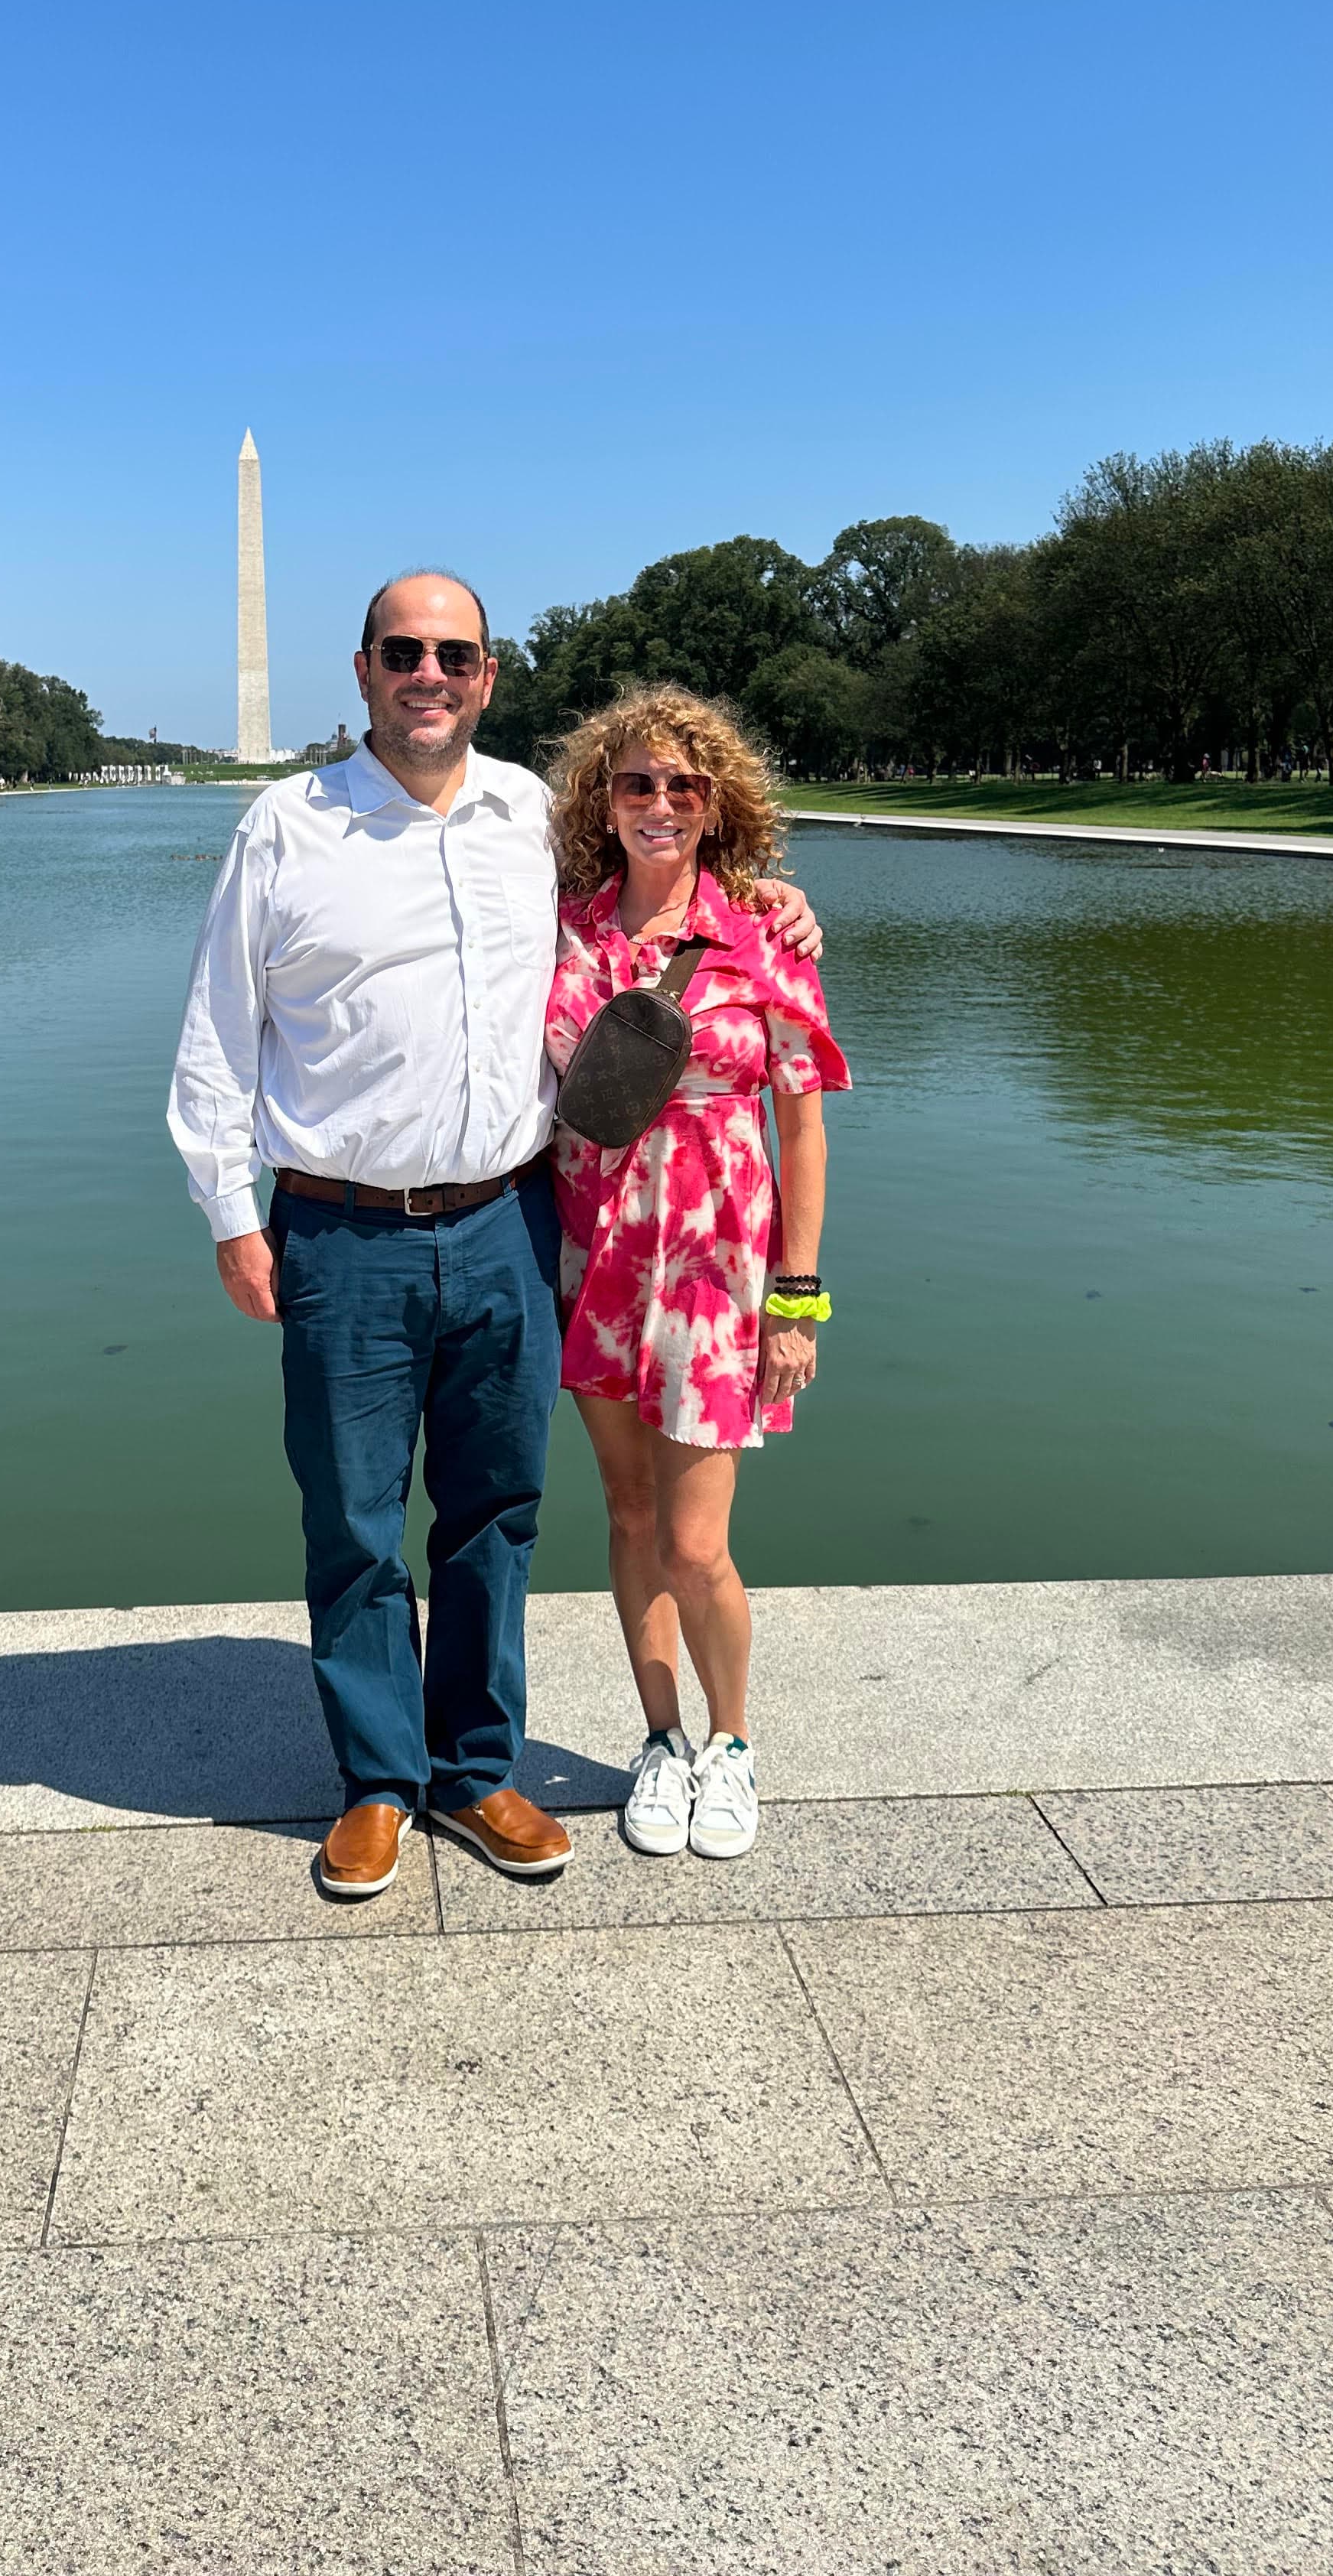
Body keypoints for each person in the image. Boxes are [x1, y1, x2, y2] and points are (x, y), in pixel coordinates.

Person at [169, 574, 822, 1900]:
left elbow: (678, 877)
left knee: (494, 1517)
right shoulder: (286, 827)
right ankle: (375, 1782)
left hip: (513, 1226)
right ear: (361, 670)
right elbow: (214, 1041)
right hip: (339, 1232)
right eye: (403, 652)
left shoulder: (533, 817)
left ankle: (472, 1769)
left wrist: (776, 898)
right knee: (354, 1521)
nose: (428, 674)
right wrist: (234, 1218)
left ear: (488, 672)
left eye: (452, 654)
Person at [544, 687, 849, 1863]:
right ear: (602, 802)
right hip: (596, 1259)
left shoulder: (769, 935)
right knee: (626, 1515)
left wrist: (799, 1295)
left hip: (719, 1268)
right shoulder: (565, 931)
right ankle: (660, 1742)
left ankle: (733, 1743)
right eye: (637, 784)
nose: (661, 803)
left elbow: (805, 1127)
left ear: (717, 805)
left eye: (684, 785)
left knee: (697, 1544)